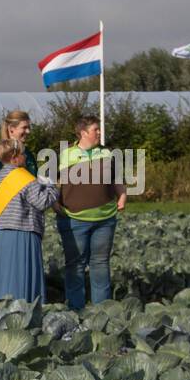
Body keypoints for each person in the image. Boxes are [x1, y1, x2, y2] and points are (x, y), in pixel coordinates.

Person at [0, 138, 59, 305]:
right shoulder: (24, 177)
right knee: (20, 278)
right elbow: (42, 202)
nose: (25, 157)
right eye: (22, 154)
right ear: (14, 157)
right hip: (21, 234)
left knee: (1, 277)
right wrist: (51, 186)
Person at [55, 114, 123, 309]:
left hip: (105, 219)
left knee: (101, 264)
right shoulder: (66, 154)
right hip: (75, 220)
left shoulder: (107, 153)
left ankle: (102, 310)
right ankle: (75, 309)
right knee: (75, 265)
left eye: (100, 129)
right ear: (83, 133)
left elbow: (117, 179)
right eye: (96, 129)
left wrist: (123, 196)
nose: (100, 132)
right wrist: (54, 204)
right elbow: (54, 182)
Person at [0, 109, 38, 219]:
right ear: (11, 129)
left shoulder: (28, 154)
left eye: (29, 127)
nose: (28, 131)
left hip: (29, 218)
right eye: (24, 128)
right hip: (7, 219)